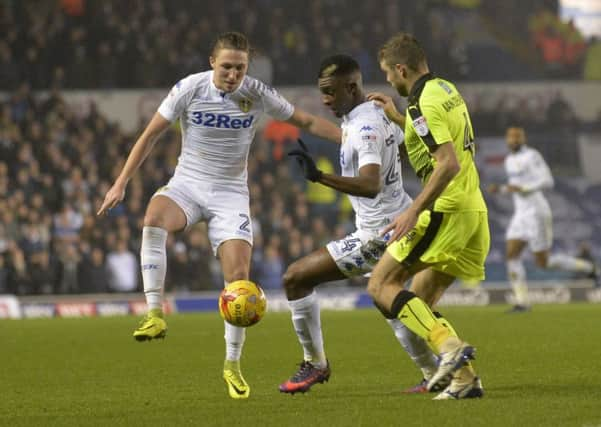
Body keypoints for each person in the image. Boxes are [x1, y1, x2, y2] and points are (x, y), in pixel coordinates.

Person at [97, 32, 341, 400]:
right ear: (212, 62)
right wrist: (120, 183)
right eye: (226, 66)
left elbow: (305, 122)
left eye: (240, 68)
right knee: (154, 216)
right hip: (188, 184)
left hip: (230, 195)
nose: (233, 74)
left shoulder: (257, 93)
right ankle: (154, 313)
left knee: (239, 281)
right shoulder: (189, 88)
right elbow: (150, 135)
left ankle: (232, 365)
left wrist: (349, 139)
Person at [279, 54, 417, 394]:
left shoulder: (363, 126)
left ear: (352, 87)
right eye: (322, 92)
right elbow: (402, 146)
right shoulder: (374, 115)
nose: (325, 99)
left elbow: (371, 185)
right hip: (399, 219)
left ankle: (315, 364)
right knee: (389, 302)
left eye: (330, 92)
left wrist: (320, 177)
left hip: (378, 233)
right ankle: (438, 367)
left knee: (295, 278)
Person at [366, 32, 489, 400]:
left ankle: (449, 350)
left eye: (389, 73)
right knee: (419, 300)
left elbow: (446, 163)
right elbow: (435, 136)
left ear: (401, 69)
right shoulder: (445, 89)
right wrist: (397, 117)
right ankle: (466, 381)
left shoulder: (422, 103)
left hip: (445, 210)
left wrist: (412, 210)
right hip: (473, 210)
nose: (389, 80)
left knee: (380, 286)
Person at [488, 126, 600, 312]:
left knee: (543, 262)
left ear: (523, 139)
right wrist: (500, 189)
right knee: (511, 255)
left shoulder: (532, 156)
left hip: (537, 212)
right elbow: (515, 187)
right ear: (507, 140)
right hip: (521, 215)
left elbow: (548, 180)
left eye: (517, 137)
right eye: (511, 137)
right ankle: (522, 302)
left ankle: (589, 268)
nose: (514, 140)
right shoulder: (509, 160)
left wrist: (524, 188)